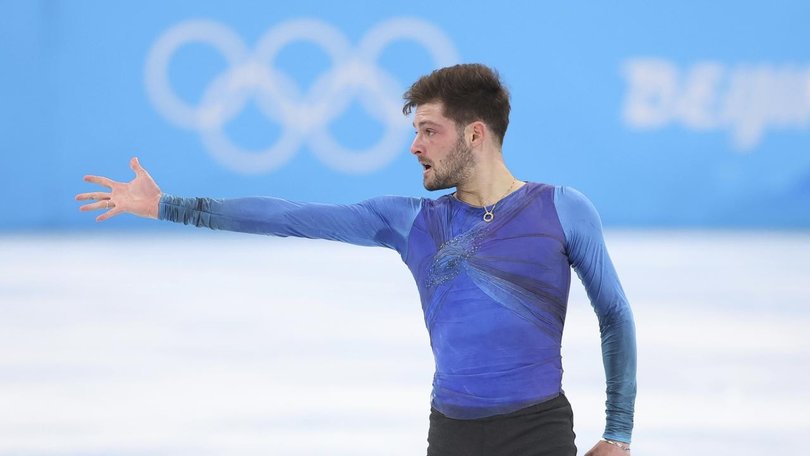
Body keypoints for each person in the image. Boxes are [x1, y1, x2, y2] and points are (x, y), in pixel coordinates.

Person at [76, 63, 636, 456]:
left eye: (428, 131)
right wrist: (169, 206)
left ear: (474, 134)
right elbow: (288, 216)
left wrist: (619, 430)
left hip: (538, 433)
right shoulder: (413, 221)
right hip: (452, 434)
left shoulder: (563, 210)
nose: (415, 145)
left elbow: (614, 316)